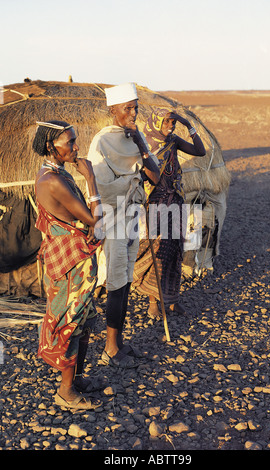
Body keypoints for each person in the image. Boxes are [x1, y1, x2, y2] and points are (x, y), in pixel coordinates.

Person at [87, 83, 160, 368]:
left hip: (131, 218)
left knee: (127, 279)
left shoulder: (135, 140)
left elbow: (154, 177)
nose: (133, 113)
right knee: (117, 282)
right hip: (114, 220)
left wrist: (142, 143)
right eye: (127, 108)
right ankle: (109, 349)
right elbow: (101, 187)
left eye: (136, 107)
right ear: (112, 110)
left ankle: (118, 342)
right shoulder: (102, 141)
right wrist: (132, 182)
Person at [33, 120, 103, 410]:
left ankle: (75, 380)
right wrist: (91, 179)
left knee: (82, 319)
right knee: (71, 322)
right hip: (71, 264)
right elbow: (93, 220)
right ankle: (65, 392)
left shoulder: (52, 173)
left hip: (71, 258)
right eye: (69, 142)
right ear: (51, 146)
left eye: (75, 140)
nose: (76, 147)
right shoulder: (53, 181)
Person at [133, 107, 206, 318]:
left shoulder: (173, 141)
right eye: (166, 123)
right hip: (156, 203)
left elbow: (200, 151)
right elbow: (146, 176)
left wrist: (188, 124)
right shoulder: (145, 145)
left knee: (175, 250)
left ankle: (172, 299)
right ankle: (153, 301)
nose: (170, 126)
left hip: (176, 200)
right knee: (158, 251)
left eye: (173, 123)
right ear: (156, 123)